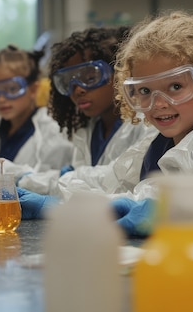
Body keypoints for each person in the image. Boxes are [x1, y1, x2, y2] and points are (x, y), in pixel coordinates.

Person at [22, 11, 193, 237]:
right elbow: (105, 179)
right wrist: (32, 184)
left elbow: (150, 202)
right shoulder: (155, 143)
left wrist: (60, 206)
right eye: (144, 90)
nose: (159, 103)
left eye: (175, 87)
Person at [16, 26, 157, 213]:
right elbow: (82, 185)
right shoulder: (87, 129)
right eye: (68, 82)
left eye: (90, 77)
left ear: (120, 73)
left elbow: (123, 188)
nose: (78, 90)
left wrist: (32, 182)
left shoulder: (145, 124)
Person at [0, 45, 73, 172]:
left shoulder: (52, 129)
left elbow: (50, 181)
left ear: (33, 89)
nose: (1, 99)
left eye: (11, 89)